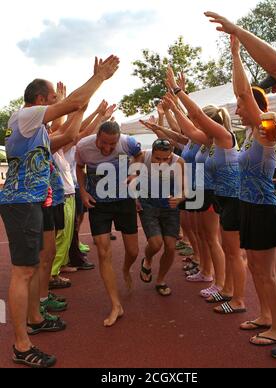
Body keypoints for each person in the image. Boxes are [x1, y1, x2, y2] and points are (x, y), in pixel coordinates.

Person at [0, 55, 120, 368]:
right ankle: (21, 346)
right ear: (40, 100)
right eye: (54, 97)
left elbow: (68, 137)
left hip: (32, 200)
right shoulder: (26, 116)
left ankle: (36, 318)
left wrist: (79, 108)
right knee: (23, 271)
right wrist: (99, 79)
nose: (58, 101)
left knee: (37, 262)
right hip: (22, 201)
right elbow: (75, 102)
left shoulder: (34, 131)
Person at [205, 12, 276, 347]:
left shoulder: (265, 129)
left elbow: (244, 94)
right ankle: (267, 317)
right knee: (257, 269)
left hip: (263, 208)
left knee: (265, 271)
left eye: (243, 106)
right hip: (249, 206)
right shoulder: (247, 137)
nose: (238, 110)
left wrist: (237, 54)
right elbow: (243, 97)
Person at [76, 121, 142, 327]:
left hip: (124, 201)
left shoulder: (129, 143)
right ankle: (116, 305)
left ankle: (125, 270)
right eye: (103, 143)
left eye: (112, 145)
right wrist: (83, 191)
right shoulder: (83, 147)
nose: (107, 148)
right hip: (99, 204)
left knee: (133, 251)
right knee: (104, 253)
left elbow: (139, 156)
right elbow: (79, 168)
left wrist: (135, 172)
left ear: (119, 140)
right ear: (97, 136)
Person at [135, 138, 185, 296]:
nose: (162, 163)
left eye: (166, 159)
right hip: (148, 203)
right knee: (156, 244)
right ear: (152, 153)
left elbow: (185, 189)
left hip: (169, 205)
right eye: (158, 159)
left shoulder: (179, 162)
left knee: (170, 246)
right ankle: (147, 260)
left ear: (171, 155)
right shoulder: (143, 157)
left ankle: (161, 280)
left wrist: (180, 198)